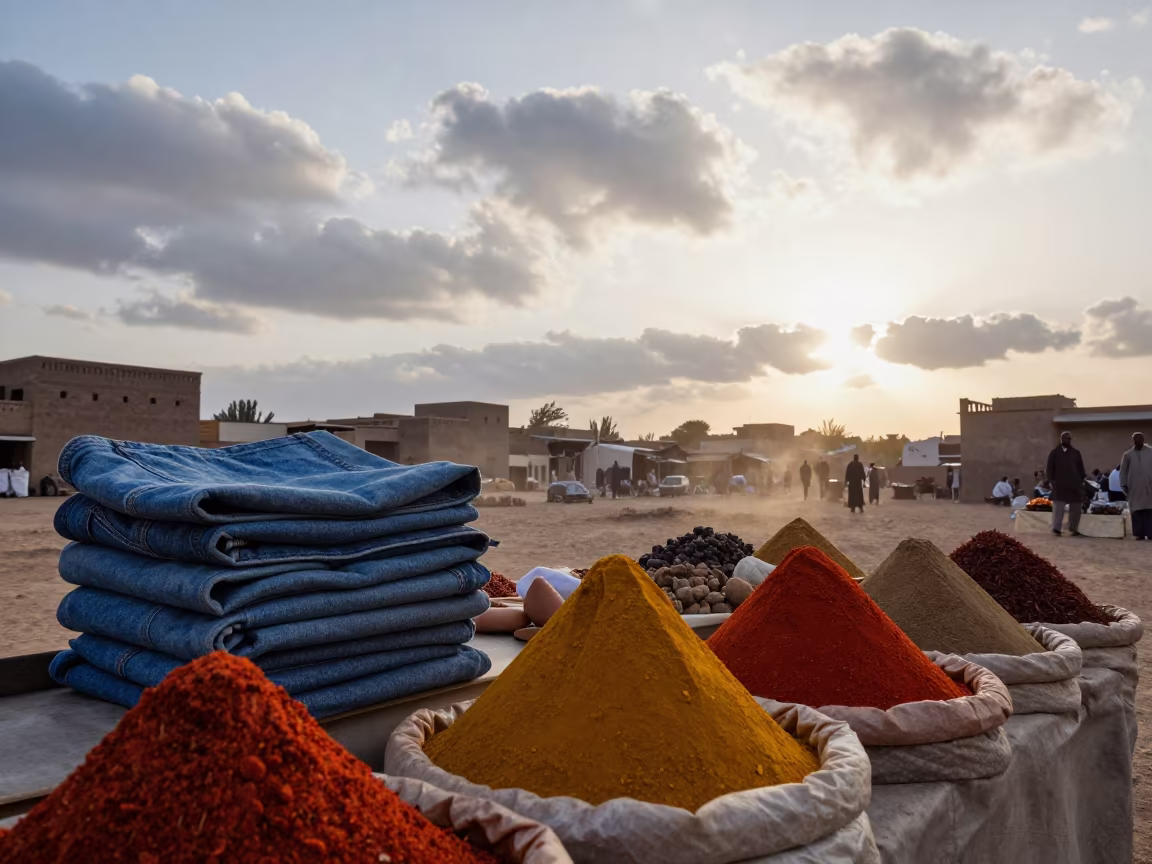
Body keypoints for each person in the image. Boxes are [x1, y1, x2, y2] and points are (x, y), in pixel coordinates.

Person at [1046, 431, 1086, 536]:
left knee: (1076, 508)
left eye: (1069, 438)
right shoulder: (1054, 453)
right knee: (1058, 508)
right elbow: (1049, 469)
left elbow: (1081, 469)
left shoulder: (1076, 453)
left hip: (1075, 485)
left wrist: (1081, 481)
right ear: (1061, 439)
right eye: (1065, 438)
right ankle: (1056, 528)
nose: (1067, 440)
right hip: (1060, 485)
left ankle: (1073, 528)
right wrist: (1052, 481)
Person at [1121, 433, 1152, 540]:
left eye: (1140, 439)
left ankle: (1150, 533)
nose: (1138, 441)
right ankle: (1139, 533)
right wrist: (1123, 483)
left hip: (1149, 485)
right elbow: (1123, 471)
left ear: (1143, 439)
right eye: (1136, 440)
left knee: (1149, 510)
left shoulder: (1150, 451)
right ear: (1133, 441)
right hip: (1134, 486)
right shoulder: (1128, 454)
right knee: (1136, 510)